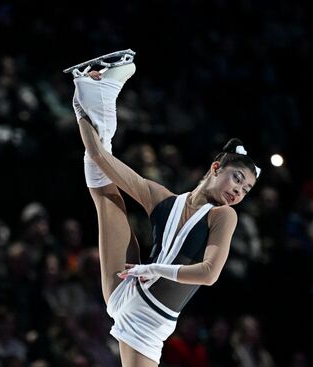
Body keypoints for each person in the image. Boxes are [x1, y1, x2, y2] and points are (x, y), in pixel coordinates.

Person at [68, 51, 260, 367]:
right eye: (236, 179)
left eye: (245, 190)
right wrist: (78, 111)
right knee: (104, 190)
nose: (237, 192)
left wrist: (153, 268)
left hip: (132, 299)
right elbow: (101, 158)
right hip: (139, 306)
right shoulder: (170, 200)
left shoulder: (224, 215)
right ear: (216, 167)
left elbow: (209, 274)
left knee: (104, 192)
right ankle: (95, 94)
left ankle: (96, 92)